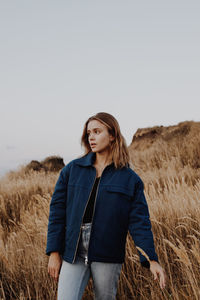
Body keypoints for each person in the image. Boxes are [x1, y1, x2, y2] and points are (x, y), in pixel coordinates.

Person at [46, 112, 166, 300]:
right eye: (88, 133)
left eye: (97, 131)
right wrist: (54, 252)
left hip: (107, 252)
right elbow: (57, 212)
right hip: (73, 250)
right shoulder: (72, 170)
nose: (91, 137)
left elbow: (139, 222)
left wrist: (151, 259)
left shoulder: (129, 179)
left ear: (112, 135)